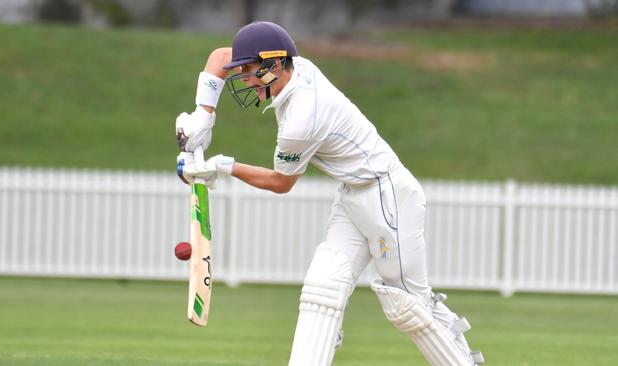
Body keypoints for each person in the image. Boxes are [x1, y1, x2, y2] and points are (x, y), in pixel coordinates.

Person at [176, 21, 484, 366]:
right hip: (353, 195)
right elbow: (220, 56)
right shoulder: (295, 64)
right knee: (321, 290)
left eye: (248, 71)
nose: (243, 78)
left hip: (388, 197)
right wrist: (204, 115)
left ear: (274, 64)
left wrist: (223, 166)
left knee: (408, 305)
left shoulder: (303, 119)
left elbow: (281, 183)